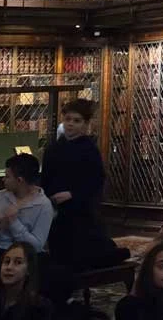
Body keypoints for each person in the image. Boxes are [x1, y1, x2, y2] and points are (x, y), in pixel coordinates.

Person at [42, 99, 120, 269]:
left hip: (81, 211)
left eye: (76, 121)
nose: (70, 124)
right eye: (68, 119)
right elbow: (46, 177)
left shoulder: (89, 150)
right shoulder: (53, 148)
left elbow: (95, 181)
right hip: (55, 208)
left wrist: (73, 195)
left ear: (85, 124)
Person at [0, 153, 54, 272]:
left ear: (19, 180)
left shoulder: (44, 205)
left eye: (7, 176)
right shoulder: (0, 196)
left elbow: (37, 246)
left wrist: (14, 223)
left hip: (26, 258)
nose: (3, 180)